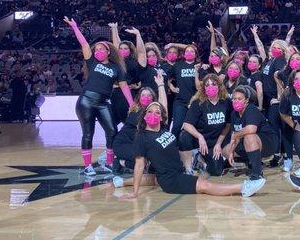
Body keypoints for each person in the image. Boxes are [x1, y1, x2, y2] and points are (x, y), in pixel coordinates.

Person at [115, 101, 265, 198]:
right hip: (171, 179)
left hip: (171, 172)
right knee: (205, 185)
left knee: (154, 180)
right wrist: (134, 193)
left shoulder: (163, 130)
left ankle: (121, 182)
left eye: (157, 112)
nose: (153, 114)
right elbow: (139, 165)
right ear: (144, 115)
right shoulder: (142, 137)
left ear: (162, 117)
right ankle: (244, 188)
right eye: (149, 111)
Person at [64, 16, 134, 176]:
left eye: (102, 49)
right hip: (86, 101)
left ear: (109, 51)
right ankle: (87, 166)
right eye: (96, 50)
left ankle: (109, 163)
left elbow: (124, 87)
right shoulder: (92, 62)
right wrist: (75, 27)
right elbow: (83, 43)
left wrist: (131, 104)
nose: (98, 51)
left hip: (103, 103)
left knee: (112, 130)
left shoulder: (117, 68)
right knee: (88, 133)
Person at [251, 25, 289, 169]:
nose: (275, 49)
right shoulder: (269, 60)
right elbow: (260, 48)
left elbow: (280, 80)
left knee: (276, 128)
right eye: (273, 47)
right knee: (274, 127)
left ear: (283, 50)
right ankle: (280, 155)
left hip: (275, 100)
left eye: (278, 47)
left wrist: (278, 98)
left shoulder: (280, 61)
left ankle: (280, 155)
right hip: (268, 100)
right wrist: (255, 35)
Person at [222, 85, 279, 183]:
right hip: (249, 141)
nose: (236, 101)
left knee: (249, 136)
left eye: (239, 99)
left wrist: (235, 135)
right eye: (234, 99)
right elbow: (237, 135)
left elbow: (250, 129)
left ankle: (257, 174)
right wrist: (231, 152)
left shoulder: (251, 109)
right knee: (225, 151)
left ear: (246, 100)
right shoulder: (234, 114)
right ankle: (251, 161)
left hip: (268, 140)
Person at [179, 74, 232, 176]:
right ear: (204, 88)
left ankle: (200, 159)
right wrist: (200, 136)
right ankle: (188, 168)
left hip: (214, 142)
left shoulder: (226, 102)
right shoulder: (198, 103)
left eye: (213, 84)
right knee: (184, 136)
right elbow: (186, 124)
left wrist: (218, 144)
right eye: (207, 85)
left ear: (219, 86)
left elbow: (227, 126)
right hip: (200, 140)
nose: (210, 87)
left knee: (216, 171)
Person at [112, 75, 166, 172]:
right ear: (139, 98)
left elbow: (163, 110)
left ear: (153, 99)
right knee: (144, 161)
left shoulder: (152, 112)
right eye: (143, 95)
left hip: (136, 144)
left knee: (154, 160)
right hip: (123, 144)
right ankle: (120, 162)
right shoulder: (135, 111)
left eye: (149, 95)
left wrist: (160, 85)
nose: (146, 98)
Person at [109, 23, 141, 127]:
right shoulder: (117, 61)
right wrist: (114, 29)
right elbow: (116, 44)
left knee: (127, 119)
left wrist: (137, 85)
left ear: (130, 50)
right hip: (116, 93)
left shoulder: (134, 62)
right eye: (121, 48)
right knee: (113, 121)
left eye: (125, 48)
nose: (122, 50)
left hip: (129, 93)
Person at [166, 43, 199, 139]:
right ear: (184, 54)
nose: (189, 53)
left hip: (195, 102)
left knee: (194, 127)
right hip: (180, 101)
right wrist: (171, 87)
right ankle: (171, 146)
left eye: (192, 51)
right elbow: (167, 78)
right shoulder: (178, 65)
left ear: (195, 54)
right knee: (177, 126)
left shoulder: (199, 66)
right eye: (187, 51)